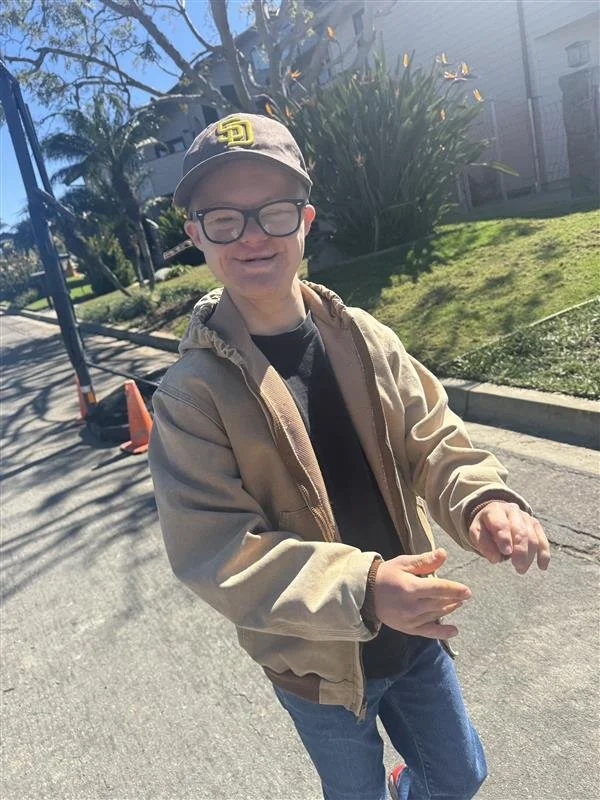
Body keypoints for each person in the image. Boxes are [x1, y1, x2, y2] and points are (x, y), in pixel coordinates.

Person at [148, 113, 550, 800]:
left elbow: (433, 438)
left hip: (414, 635)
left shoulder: (360, 336)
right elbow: (216, 552)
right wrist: (364, 588)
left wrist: (484, 498)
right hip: (312, 665)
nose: (251, 235)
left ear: (304, 219)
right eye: (223, 220)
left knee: (459, 775)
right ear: (196, 237)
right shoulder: (190, 396)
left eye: (273, 212)